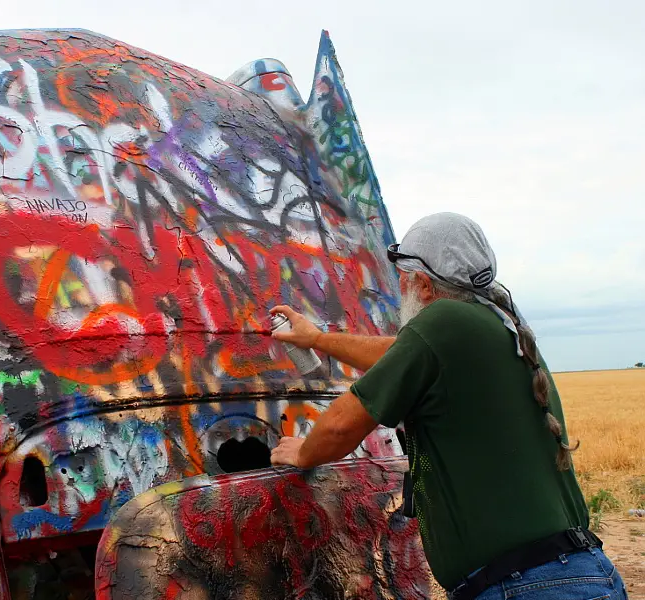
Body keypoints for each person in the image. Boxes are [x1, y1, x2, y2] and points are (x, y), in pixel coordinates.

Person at [269, 213, 628, 599]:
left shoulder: (442, 321)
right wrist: (318, 339)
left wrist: (303, 453)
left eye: (403, 278)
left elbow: (342, 425)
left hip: (525, 585)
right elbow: (397, 354)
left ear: (422, 284)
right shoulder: (494, 326)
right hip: (582, 573)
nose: (400, 288)